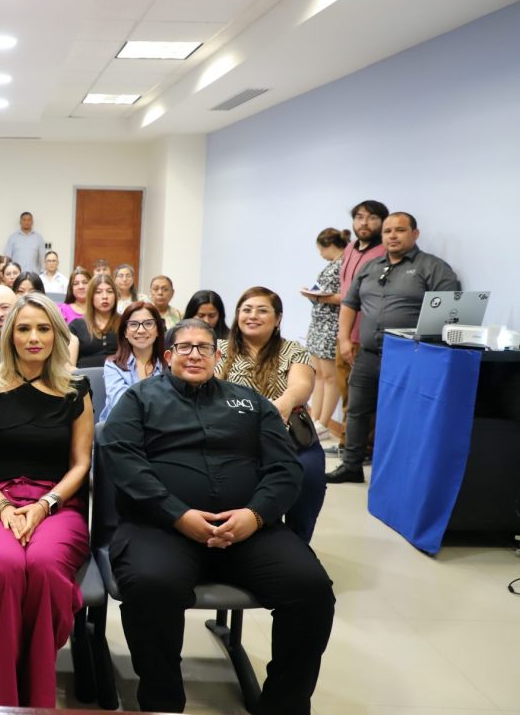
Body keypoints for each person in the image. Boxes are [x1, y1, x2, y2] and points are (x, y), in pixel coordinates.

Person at [101, 318, 335, 715]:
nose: (195, 355)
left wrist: (255, 515)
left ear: (216, 355)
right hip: (161, 528)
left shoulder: (250, 403)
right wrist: (178, 514)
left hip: (248, 532)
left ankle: (283, 705)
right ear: (168, 355)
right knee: (150, 587)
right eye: (185, 347)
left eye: (205, 347)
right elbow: (122, 460)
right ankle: (162, 704)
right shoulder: (139, 399)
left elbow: (284, 468)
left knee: (311, 590)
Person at [0, 293, 93, 706]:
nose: (34, 337)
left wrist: (44, 505)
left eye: (43, 329)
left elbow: (81, 464)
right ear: (9, 335)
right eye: (24, 328)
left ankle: (36, 689)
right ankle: (3, 693)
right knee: (7, 565)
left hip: (57, 504)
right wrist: (2, 506)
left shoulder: (75, 387)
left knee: (46, 566)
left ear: (57, 334)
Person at [329, 212, 460, 483]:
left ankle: (398, 471)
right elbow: (350, 303)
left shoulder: (433, 268)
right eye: (387, 231)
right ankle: (351, 466)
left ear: (415, 233)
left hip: (409, 357)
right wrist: (344, 339)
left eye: (400, 230)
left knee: (403, 415)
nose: (392, 236)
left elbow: (448, 313)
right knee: (356, 411)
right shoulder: (371, 267)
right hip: (367, 356)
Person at [218, 287, 325, 543]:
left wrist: (284, 403)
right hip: (232, 439)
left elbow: (302, 385)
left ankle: (298, 543)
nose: (253, 316)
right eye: (246, 310)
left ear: (277, 319)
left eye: (262, 310)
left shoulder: (293, 350)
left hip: (287, 438)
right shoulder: (219, 349)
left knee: (310, 473)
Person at [332, 199, 389, 459]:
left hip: (365, 337)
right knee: (346, 392)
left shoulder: (383, 253)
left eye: (372, 217)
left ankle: (362, 447)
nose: (364, 223)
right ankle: (347, 443)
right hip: (344, 332)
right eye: (359, 217)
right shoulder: (351, 247)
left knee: (362, 398)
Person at [301, 228, 349, 440]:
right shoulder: (332, 265)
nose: (320, 254)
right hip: (320, 324)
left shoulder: (344, 264)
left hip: (332, 325)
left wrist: (318, 297)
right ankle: (315, 418)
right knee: (319, 375)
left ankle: (324, 422)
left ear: (327, 245)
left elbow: (346, 297)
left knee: (330, 377)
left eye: (320, 249)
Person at [102, 301, 166, 421]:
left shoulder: (168, 366)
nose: (141, 330)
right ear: (125, 332)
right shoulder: (113, 365)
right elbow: (121, 406)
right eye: (133, 324)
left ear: (158, 330)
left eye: (148, 323)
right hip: (121, 427)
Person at [68, 274, 120, 368]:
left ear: (115, 296)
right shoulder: (76, 326)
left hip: (119, 375)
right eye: (98, 292)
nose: (105, 296)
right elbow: (69, 366)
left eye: (109, 291)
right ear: (91, 296)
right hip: (84, 375)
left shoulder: (126, 323)